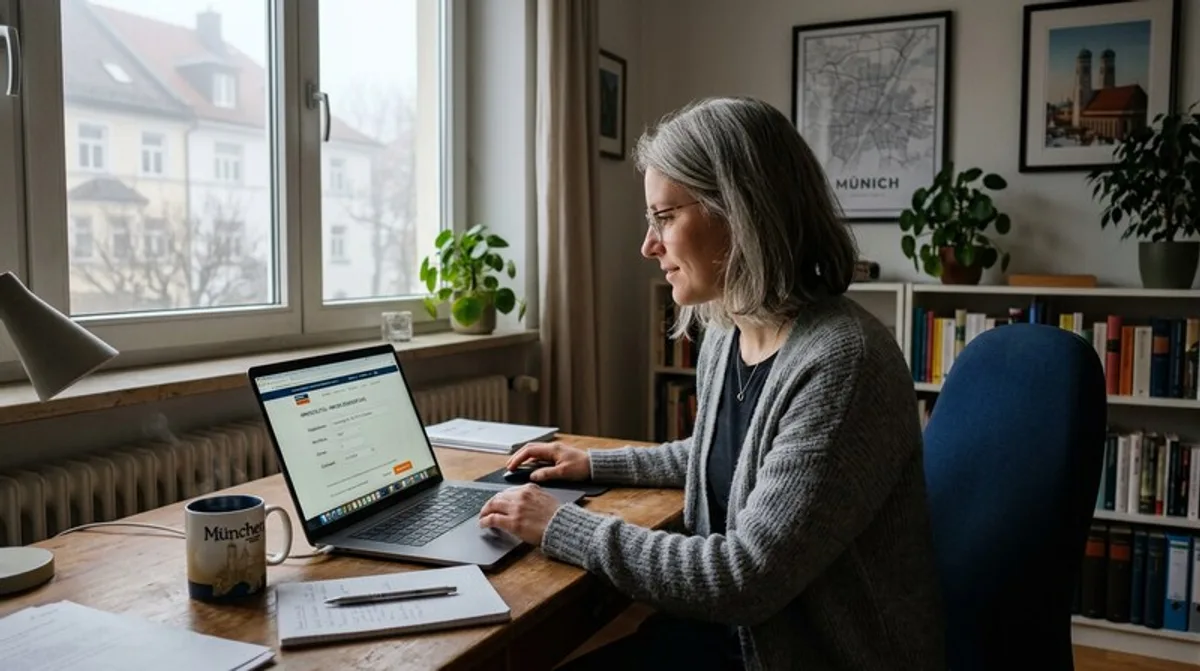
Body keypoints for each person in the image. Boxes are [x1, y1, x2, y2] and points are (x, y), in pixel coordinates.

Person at [477, 96, 946, 670]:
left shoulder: (843, 363)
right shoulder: (729, 331)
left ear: (740, 211)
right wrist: (594, 464)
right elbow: (726, 458)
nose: (649, 245)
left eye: (664, 217)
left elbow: (742, 579)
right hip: (732, 636)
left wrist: (562, 525)